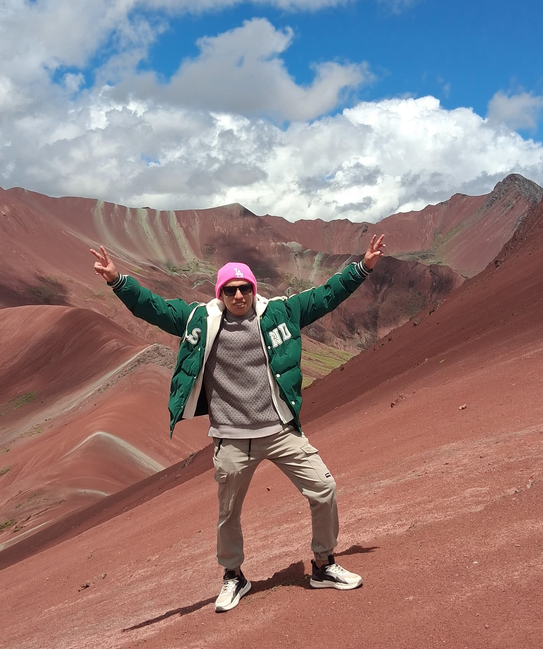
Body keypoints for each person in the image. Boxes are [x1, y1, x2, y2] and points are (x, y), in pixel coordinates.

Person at [90, 233, 385, 612]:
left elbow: (326, 295)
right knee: (228, 514)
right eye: (230, 290)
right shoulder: (200, 320)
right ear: (220, 294)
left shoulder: (280, 312)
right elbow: (154, 308)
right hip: (231, 439)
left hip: (279, 431)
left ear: (253, 288)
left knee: (323, 489)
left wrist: (362, 269)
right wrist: (118, 281)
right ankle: (234, 577)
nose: (239, 296)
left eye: (244, 288)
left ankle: (323, 565)